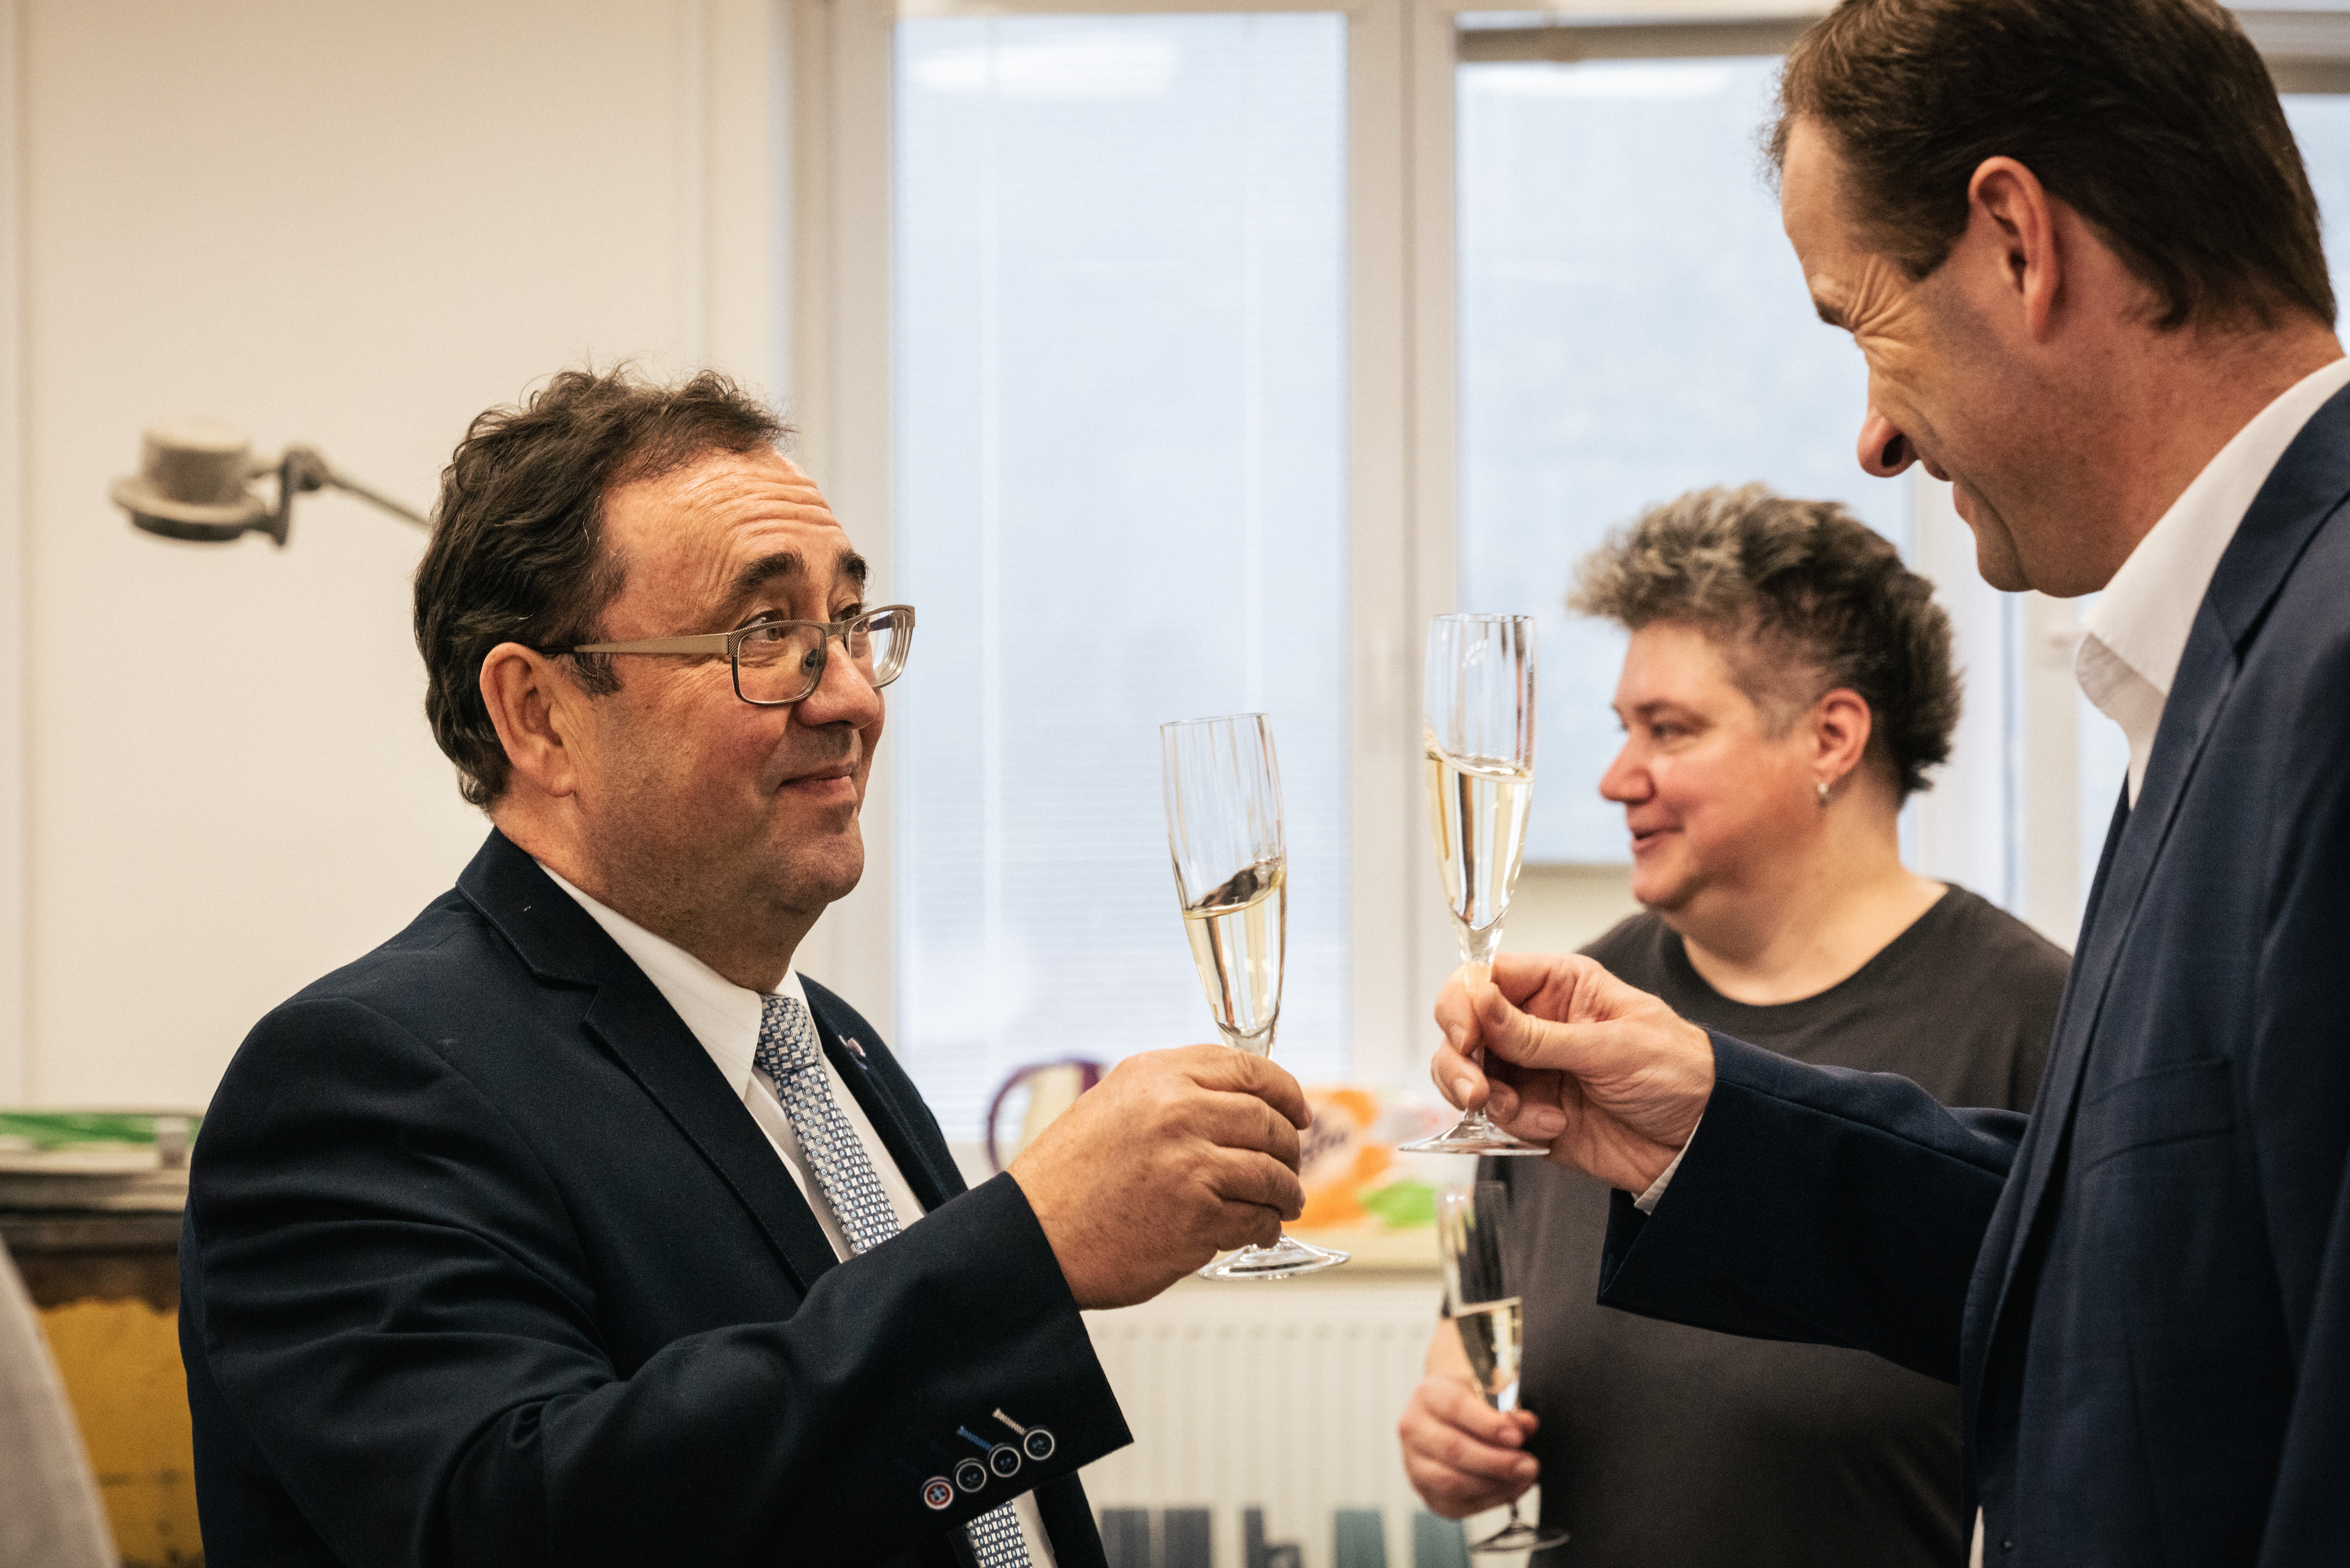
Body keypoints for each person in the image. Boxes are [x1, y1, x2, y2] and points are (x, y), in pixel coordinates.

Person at [1428, 1, 2350, 1561]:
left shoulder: (2321, 668)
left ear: (2015, 243)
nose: (1871, 437)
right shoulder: (2225, 661)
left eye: (1862, 321)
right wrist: (1703, 1125)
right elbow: (2122, 1259)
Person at [178, 368, 1314, 1568]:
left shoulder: (829, 1046)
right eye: (765, 634)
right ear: (539, 713)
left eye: (851, 626)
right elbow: (519, 1524)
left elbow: (916, 1474)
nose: (853, 696)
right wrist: (1021, 1250)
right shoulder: (359, 1079)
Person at [1398, 486, 2067, 1564]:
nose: (1615, 778)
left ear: (1831, 737)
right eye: (1622, 728)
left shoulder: (2032, 1019)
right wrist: (1447, 1432)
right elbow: (1471, 1328)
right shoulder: (1569, 1014)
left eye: (1667, 729)